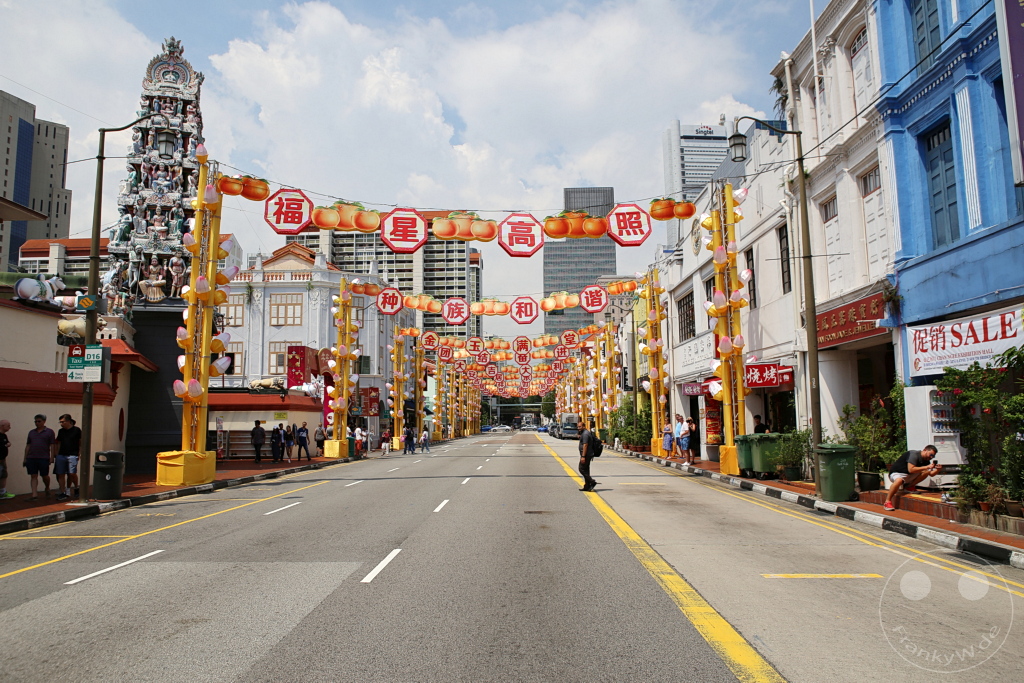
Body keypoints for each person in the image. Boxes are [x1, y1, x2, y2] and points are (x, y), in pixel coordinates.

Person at [884, 445, 940, 511]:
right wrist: (927, 467)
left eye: (933, 456)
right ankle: (887, 501)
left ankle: (909, 487)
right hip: (897, 473)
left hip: (908, 475)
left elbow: (931, 474)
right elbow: (911, 469)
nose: (931, 457)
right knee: (899, 481)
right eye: (931, 455)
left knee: (926, 472)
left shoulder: (926, 460)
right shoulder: (914, 454)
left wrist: (938, 469)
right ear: (925, 450)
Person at [24, 414, 56, 500]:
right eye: (35, 421)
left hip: (43, 457)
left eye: (39, 421)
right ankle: (34, 494)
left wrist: (52, 457)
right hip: (31, 457)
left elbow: (52, 445)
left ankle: (47, 487)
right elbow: (28, 445)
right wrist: (25, 458)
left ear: (44, 421)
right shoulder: (31, 432)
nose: (37, 423)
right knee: (33, 476)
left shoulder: (49, 432)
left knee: (44, 475)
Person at [54, 414, 82, 501]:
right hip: (61, 454)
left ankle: (76, 487)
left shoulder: (76, 430)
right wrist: (57, 454)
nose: (61, 424)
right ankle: (63, 492)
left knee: (72, 473)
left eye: (63, 422)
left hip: (72, 454)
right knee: (61, 474)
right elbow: (59, 443)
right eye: (60, 422)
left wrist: (79, 453)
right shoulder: (61, 431)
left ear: (68, 421)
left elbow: (80, 442)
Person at [578, 420, 598, 492]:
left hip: (586, 455)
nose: (578, 428)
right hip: (587, 454)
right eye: (578, 426)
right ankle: (587, 486)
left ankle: (592, 481)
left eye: (580, 426)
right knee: (586, 470)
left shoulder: (585, 434)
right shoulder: (584, 433)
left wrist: (583, 456)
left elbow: (585, 445)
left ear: (584, 426)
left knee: (581, 469)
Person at [0, 419, 13, 500]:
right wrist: (5, 446)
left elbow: (6, 443)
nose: (10, 427)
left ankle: (2, 492)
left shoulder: (4, 435)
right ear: (2, 426)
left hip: (3, 459)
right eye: (8, 426)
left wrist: (8, 444)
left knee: (3, 475)